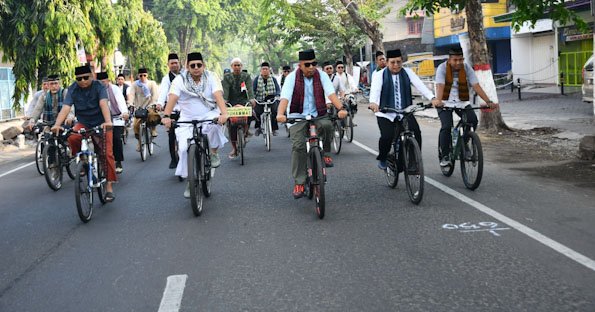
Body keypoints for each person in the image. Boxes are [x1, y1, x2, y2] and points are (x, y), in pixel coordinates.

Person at [276, 49, 347, 199]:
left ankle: (326, 153)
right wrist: (280, 114)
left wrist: (341, 108)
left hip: (318, 113)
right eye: (307, 65)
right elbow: (285, 98)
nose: (311, 67)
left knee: (328, 126)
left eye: (314, 64)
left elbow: (331, 94)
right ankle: (300, 182)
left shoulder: (321, 75)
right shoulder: (291, 78)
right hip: (297, 115)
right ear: (300, 65)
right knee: (298, 146)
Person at [162, 52, 229, 198]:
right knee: (184, 148)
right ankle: (190, 181)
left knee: (213, 126)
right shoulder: (180, 80)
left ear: (203, 66)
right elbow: (172, 97)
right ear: (187, 67)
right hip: (187, 117)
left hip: (209, 113)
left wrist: (224, 114)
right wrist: (166, 116)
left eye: (199, 65)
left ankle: (213, 153)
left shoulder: (211, 77)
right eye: (193, 66)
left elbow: (218, 96)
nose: (196, 68)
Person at [50, 65, 116, 202]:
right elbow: (66, 108)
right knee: (73, 137)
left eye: (86, 77)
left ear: (91, 76)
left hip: (102, 122)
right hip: (84, 122)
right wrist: (57, 124)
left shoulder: (99, 87)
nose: (83, 81)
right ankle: (83, 161)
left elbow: (103, 104)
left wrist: (108, 121)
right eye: (79, 78)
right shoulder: (73, 89)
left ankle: (109, 186)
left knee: (107, 154)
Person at [368, 49, 439, 170]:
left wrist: (432, 97)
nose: (396, 65)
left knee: (416, 132)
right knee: (387, 136)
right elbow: (375, 90)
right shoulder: (379, 75)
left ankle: (413, 160)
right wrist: (373, 102)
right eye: (393, 62)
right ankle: (383, 157)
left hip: (405, 111)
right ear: (387, 62)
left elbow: (419, 85)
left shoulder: (407, 72)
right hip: (385, 112)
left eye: (399, 62)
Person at [434, 47, 496, 166]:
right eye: (455, 60)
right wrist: (439, 100)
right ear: (449, 59)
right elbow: (440, 86)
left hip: (461, 102)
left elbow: (476, 86)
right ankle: (445, 155)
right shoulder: (442, 68)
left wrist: (488, 101)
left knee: (472, 120)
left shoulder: (466, 68)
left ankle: (464, 143)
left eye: (460, 60)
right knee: (447, 127)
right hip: (445, 102)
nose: (458, 63)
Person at [221, 57, 254, 159]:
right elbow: (225, 90)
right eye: (235, 65)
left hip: (243, 101)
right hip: (231, 102)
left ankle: (246, 130)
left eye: (239, 65)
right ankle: (234, 149)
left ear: (241, 66)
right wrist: (224, 100)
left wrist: (252, 98)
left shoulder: (246, 76)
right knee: (231, 126)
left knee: (252, 114)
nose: (237, 67)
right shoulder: (227, 78)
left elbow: (249, 88)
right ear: (231, 66)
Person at [97, 72, 129, 174]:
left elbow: (120, 101)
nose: (102, 84)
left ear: (108, 81)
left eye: (103, 82)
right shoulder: (96, 90)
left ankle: (118, 161)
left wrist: (124, 112)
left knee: (116, 138)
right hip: (102, 119)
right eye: (99, 82)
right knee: (99, 139)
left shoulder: (114, 89)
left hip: (116, 118)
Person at [157, 53, 184, 169]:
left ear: (179, 63)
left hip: (186, 109)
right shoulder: (166, 79)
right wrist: (159, 103)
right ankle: (174, 158)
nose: (174, 65)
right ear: (168, 65)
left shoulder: (186, 75)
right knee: (172, 134)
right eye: (172, 63)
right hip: (172, 110)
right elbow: (163, 92)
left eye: (176, 63)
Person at [128, 67, 160, 152]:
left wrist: (153, 104)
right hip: (139, 107)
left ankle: (153, 130)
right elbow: (131, 95)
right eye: (141, 75)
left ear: (147, 75)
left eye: (144, 75)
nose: (142, 77)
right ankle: (139, 143)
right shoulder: (135, 84)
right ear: (138, 76)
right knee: (135, 125)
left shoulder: (152, 83)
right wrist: (130, 104)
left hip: (150, 106)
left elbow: (155, 95)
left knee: (152, 116)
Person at [252, 62, 281, 136]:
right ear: (261, 70)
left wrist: (277, 95)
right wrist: (253, 98)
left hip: (271, 99)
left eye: (266, 69)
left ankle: (274, 129)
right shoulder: (256, 79)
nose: (265, 70)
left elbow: (277, 89)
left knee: (275, 111)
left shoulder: (273, 79)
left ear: (269, 70)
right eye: (263, 69)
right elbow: (253, 90)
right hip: (260, 99)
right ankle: (258, 128)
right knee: (257, 112)